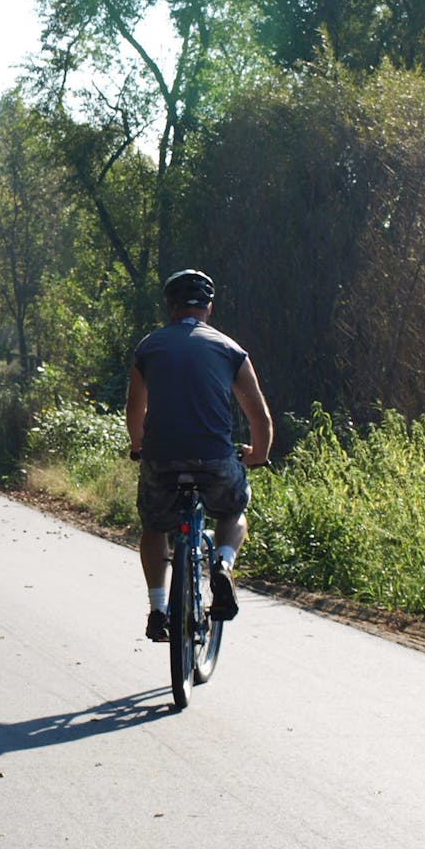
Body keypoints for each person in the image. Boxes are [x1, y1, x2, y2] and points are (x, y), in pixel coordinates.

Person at [125, 269, 273, 642]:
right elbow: (260, 417)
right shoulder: (229, 349)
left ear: (170, 307)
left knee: (156, 526)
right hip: (216, 459)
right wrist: (258, 454)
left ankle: (158, 609)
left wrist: (138, 446)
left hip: (161, 459)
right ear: (209, 306)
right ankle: (222, 563)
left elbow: (134, 410)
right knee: (232, 509)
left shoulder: (149, 348)